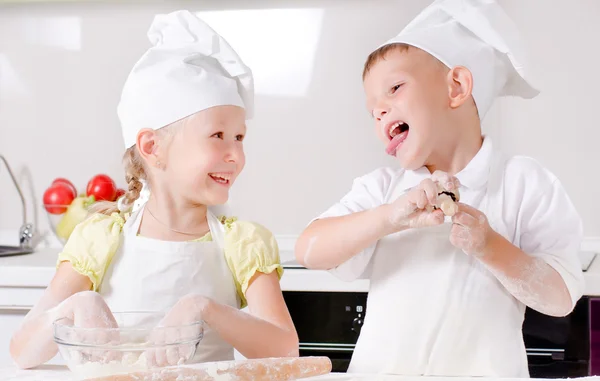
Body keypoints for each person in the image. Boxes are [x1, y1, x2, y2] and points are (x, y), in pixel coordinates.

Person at [295, 0, 584, 377]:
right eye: (372, 111)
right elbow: (310, 250)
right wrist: (389, 218)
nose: (380, 112)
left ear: (457, 87)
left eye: (394, 89)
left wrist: (489, 246)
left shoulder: (523, 183)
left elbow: (560, 298)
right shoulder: (383, 191)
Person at [11, 10, 298, 369]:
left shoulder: (242, 244)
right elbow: (22, 352)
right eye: (218, 136)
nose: (236, 154)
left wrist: (203, 308)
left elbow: (285, 350)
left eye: (240, 137)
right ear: (152, 147)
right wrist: (74, 307)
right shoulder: (101, 240)